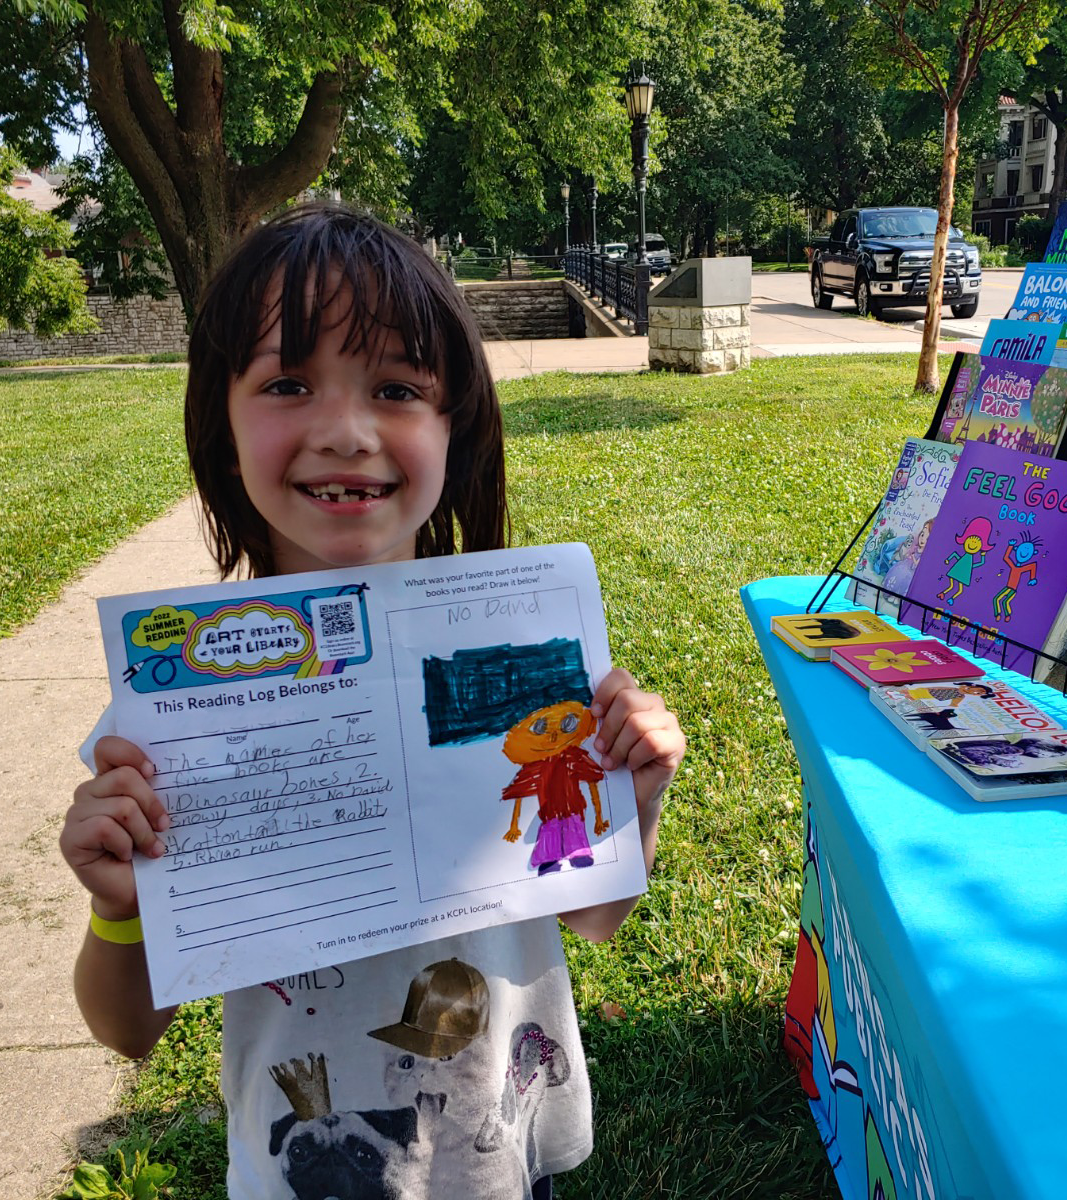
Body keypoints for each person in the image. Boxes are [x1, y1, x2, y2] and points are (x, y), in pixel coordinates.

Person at [58, 205, 686, 1199]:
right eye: (287, 384)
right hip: (306, 1172)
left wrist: (634, 801)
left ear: (455, 430)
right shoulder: (173, 722)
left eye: (397, 388)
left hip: (497, 1155)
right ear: (220, 428)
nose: (346, 432)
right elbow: (128, 1030)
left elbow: (595, 912)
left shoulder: (519, 665)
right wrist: (121, 912)